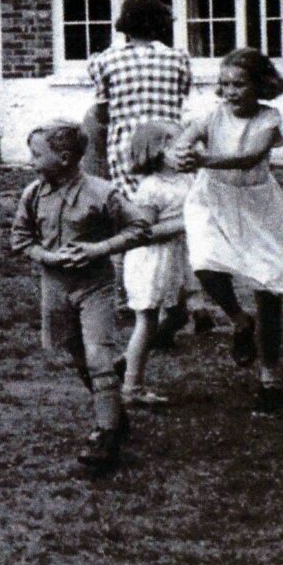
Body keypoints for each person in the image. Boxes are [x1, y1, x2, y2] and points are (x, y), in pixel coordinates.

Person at [171, 48, 283, 413]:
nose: (231, 92)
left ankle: (269, 378)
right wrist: (180, 153)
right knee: (204, 264)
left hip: (257, 205)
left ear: (260, 84)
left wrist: (204, 159)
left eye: (240, 84)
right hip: (211, 199)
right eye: (225, 84)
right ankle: (238, 319)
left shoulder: (269, 118)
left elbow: (251, 156)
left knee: (268, 287)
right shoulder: (212, 116)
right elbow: (185, 138)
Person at [11, 120, 151, 471]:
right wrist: (49, 257)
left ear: (65, 158)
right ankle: (115, 416)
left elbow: (140, 228)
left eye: (36, 154)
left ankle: (105, 436)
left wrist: (98, 249)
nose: (31, 161)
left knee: (99, 358)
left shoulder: (102, 193)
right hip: (55, 289)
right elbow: (21, 239)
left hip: (95, 288)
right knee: (78, 357)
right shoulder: (33, 194)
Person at [118, 121, 202, 406]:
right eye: (177, 145)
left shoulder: (185, 179)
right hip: (151, 261)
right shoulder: (151, 189)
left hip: (175, 258)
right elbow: (142, 234)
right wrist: (184, 223)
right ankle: (132, 387)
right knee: (147, 321)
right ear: (158, 151)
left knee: (178, 314)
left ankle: (127, 361)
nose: (186, 150)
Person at [85, 0, 191, 199]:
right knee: (168, 201)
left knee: (133, 206)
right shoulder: (179, 59)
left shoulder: (106, 60)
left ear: (125, 24)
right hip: (169, 145)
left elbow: (103, 113)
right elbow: (180, 100)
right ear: (161, 23)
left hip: (126, 149)